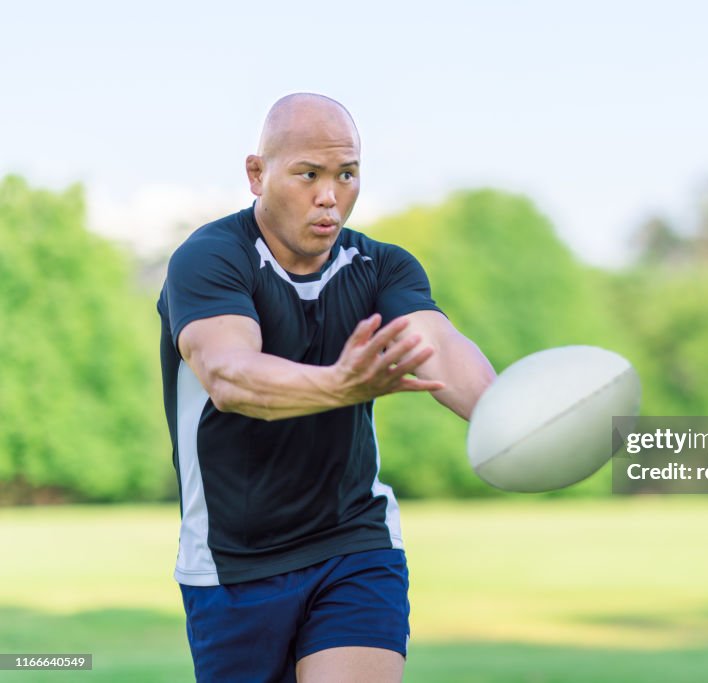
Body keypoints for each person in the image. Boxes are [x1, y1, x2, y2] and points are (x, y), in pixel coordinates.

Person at [156, 93, 496, 683]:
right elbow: (230, 375)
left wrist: (512, 417)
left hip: (355, 542)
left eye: (347, 174)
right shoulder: (211, 259)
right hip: (232, 563)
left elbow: (437, 344)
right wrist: (339, 385)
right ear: (257, 175)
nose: (330, 195)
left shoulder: (381, 266)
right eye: (308, 174)